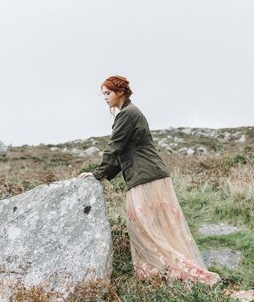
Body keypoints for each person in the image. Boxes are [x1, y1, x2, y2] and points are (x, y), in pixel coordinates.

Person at [78, 76, 220, 285]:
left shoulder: (128, 114)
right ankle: (162, 272)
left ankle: (169, 271)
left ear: (120, 92)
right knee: (151, 227)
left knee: (145, 228)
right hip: (146, 175)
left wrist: (98, 173)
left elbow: (114, 146)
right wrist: (102, 174)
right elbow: (122, 152)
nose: (105, 98)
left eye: (107, 93)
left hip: (146, 177)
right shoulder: (129, 113)